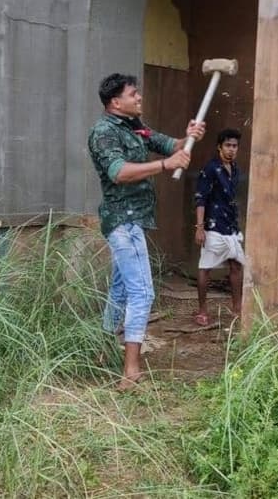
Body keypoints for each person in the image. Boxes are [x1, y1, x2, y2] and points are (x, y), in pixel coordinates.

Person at [88, 73, 206, 390]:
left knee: (121, 290)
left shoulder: (135, 126)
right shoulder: (104, 132)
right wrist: (166, 165)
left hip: (133, 219)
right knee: (143, 292)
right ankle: (131, 373)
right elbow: (119, 172)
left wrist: (189, 137)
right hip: (123, 222)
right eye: (133, 94)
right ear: (116, 102)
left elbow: (170, 145)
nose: (139, 97)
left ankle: (100, 351)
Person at [193, 128, 246, 325]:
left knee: (236, 265)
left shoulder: (235, 169)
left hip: (230, 225)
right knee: (205, 267)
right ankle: (202, 311)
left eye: (235, 146)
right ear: (219, 147)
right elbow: (201, 198)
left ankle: (237, 309)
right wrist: (199, 227)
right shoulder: (211, 168)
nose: (232, 150)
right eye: (228, 146)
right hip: (213, 225)